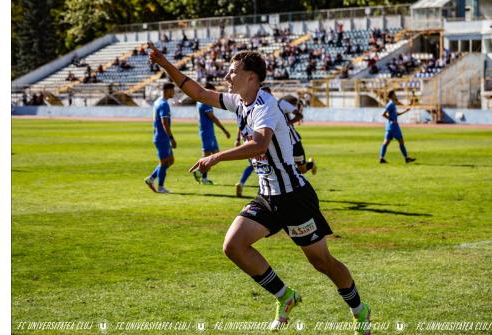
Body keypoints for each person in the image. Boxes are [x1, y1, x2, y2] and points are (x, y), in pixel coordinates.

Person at [148, 44, 373, 334]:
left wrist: (216, 157)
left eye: (233, 72)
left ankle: (359, 310)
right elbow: (199, 93)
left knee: (322, 262)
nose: (228, 77)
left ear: (252, 77)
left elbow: (259, 144)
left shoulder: (266, 106)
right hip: (268, 196)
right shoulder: (239, 102)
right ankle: (285, 296)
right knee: (233, 245)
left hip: (294, 198)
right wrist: (165, 63)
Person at [261, 87, 316, 176]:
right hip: (280, 143)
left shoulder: (281, 104)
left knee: (303, 169)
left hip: (294, 141)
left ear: (271, 95)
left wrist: (288, 123)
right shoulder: (262, 109)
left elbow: (299, 115)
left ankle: (311, 164)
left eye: (267, 94)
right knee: (285, 169)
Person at [193, 83, 232, 185]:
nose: (214, 93)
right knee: (208, 156)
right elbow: (212, 117)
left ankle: (202, 175)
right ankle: (199, 173)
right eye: (213, 90)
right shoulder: (205, 102)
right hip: (207, 132)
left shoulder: (201, 101)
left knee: (215, 153)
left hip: (208, 131)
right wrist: (224, 130)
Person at [144, 83, 177, 194]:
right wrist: (171, 138)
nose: (174, 93)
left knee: (170, 161)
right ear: (167, 90)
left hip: (160, 136)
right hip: (162, 138)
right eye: (173, 90)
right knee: (164, 163)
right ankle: (161, 187)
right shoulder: (163, 104)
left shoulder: (158, 101)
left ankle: (151, 178)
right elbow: (164, 123)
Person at [379, 91, 416, 164]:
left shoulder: (392, 104)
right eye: (394, 94)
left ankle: (381, 158)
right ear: (392, 96)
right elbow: (383, 114)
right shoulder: (391, 104)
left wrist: (405, 111)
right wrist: (392, 120)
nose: (396, 95)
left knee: (386, 142)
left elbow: (396, 114)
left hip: (389, 126)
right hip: (394, 127)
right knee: (401, 141)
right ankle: (406, 158)